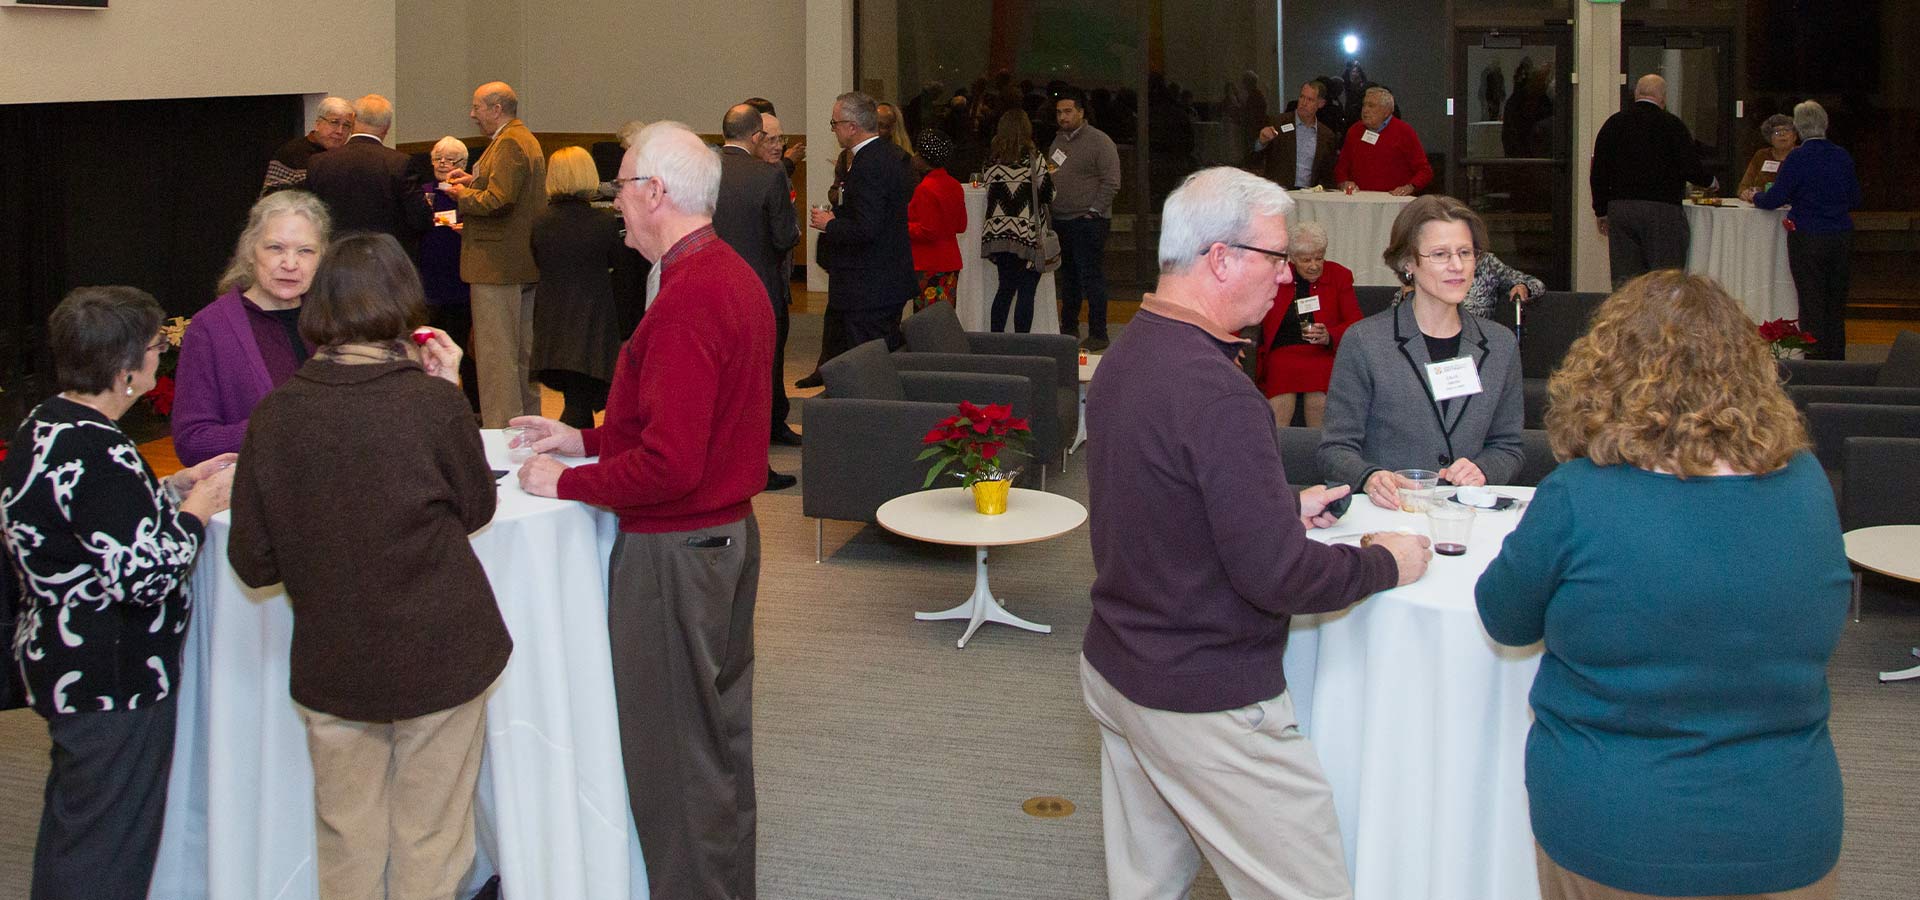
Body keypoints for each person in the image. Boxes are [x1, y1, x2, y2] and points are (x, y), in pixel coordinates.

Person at [1082, 166, 1430, 899]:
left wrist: (1274, 506)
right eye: (1275, 258)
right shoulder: (1219, 391)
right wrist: (1383, 562)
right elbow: (1280, 577)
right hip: (1201, 695)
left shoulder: (1130, 353)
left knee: (1147, 886)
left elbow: (1156, 501)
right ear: (1220, 258)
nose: (1285, 277)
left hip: (1119, 666)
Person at [1476, 270, 1848, 900]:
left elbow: (1504, 619)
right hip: (1786, 826)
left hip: (1613, 828)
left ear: (1606, 369)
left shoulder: (1579, 495)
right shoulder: (1807, 485)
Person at [510, 120, 771, 900]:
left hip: (677, 554)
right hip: (722, 538)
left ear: (655, 193)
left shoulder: (689, 297)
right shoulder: (724, 273)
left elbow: (670, 464)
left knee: (677, 761)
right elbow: (682, 424)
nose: (614, 202)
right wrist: (584, 440)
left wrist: (565, 483)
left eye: (621, 186)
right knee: (715, 743)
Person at [227, 232, 505, 900]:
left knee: (346, 837)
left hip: (335, 659)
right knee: (431, 837)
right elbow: (476, 508)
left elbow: (254, 562)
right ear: (404, 303)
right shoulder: (432, 404)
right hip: (441, 653)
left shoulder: (276, 415)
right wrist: (450, 389)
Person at [3, 286, 235, 900]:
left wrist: (173, 487)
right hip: (110, 675)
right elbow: (144, 577)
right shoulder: (98, 447)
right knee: (108, 850)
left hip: (65, 662)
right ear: (127, 367)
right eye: (157, 346)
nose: (162, 356)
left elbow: (87, 522)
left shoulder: (48, 422)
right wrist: (200, 507)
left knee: (77, 831)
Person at [1318, 195, 1525, 507]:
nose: (1457, 266)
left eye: (1465, 253)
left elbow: (1508, 447)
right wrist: (1370, 477)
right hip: (1390, 515)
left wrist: (1484, 469)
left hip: (1466, 517)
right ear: (1408, 263)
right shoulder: (1365, 341)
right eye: (1440, 254)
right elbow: (1334, 450)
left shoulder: (1500, 344)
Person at [172, 189, 331, 466]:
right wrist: (278, 426)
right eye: (275, 248)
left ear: (322, 258)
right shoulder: (210, 327)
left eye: (305, 251)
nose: (290, 264)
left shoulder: (334, 318)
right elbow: (192, 442)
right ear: (249, 251)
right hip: (255, 488)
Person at [444, 80, 547, 428]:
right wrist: (472, 183)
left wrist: (461, 195)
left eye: (477, 107)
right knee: (520, 355)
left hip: (497, 266)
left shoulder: (509, 143)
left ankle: (503, 431)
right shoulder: (522, 138)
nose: (472, 114)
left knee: (497, 357)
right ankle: (526, 426)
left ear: (496, 109)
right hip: (518, 262)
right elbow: (505, 191)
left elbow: (499, 201)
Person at [713, 102, 803, 487]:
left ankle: (719, 458)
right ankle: (753, 467)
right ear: (755, 136)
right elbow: (784, 237)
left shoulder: (703, 170)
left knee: (721, 377)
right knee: (757, 378)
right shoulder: (768, 176)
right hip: (758, 289)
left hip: (712, 286)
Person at [802, 91, 915, 387]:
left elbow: (867, 228)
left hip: (870, 286)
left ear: (852, 127)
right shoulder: (890, 155)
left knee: (869, 367)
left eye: (835, 123)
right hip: (884, 279)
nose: (833, 130)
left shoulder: (869, 163)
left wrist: (830, 224)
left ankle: (871, 410)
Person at [1749, 101, 1860, 361]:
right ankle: (1837, 360)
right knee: (1836, 302)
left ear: (1798, 129)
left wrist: (1755, 196)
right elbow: (1855, 198)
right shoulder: (1841, 155)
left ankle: (1815, 361)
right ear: (1825, 125)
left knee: (1811, 302)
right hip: (1840, 235)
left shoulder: (1797, 158)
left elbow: (1774, 198)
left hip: (1808, 236)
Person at [1589, 74, 1717, 288]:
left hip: (1622, 209)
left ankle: (1626, 310)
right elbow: (1689, 166)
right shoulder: (1672, 125)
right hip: (1662, 210)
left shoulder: (1614, 123)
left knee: (1626, 281)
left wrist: (1601, 210)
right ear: (1663, 98)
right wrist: (1710, 181)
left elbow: (1599, 171)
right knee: (1664, 279)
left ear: (1636, 94)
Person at [529, 146, 623, 429]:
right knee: (580, 401)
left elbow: (537, 260)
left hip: (552, 315)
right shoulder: (604, 222)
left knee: (574, 398)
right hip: (593, 316)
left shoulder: (540, 222)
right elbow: (616, 261)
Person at [1256, 221, 1360, 426]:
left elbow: (1356, 322)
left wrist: (1330, 335)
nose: (1314, 265)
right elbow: (1250, 310)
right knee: (1280, 400)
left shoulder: (1339, 276)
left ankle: (1320, 445)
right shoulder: (1276, 276)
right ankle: (1275, 444)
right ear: (1292, 258)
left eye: (1319, 258)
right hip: (1283, 354)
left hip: (1322, 353)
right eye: (1306, 260)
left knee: (1318, 399)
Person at [304, 94, 431, 257]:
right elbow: (420, 219)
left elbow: (311, 216)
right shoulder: (400, 163)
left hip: (335, 256)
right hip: (386, 258)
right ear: (387, 128)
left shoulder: (319, 162)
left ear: (353, 121)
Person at [1049, 88, 1122, 350]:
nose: (1063, 117)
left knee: (1091, 277)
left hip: (1088, 221)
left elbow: (1112, 181)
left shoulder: (1100, 141)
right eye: (1059, 112)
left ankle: (1098, 333)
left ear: (1081, 112)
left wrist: (1094, 211)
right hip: (1062, 219)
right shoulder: (1058, 142)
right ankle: (1069, 328)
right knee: (1068, 278)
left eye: (1068, 111)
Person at [420, 136, 481, 412]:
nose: (443, 163)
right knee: (429, 349)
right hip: (429, 282)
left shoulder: (471, 195)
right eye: (438, 158)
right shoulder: (422, 192)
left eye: (450, 159)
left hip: (461, 282)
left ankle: (472, 409)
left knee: (465, 353)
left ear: (463, 164)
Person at [980, 109, 1055, 333]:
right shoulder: (1033, 159)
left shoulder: (991, 161)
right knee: (1026, 291)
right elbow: (1048, 194)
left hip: (999, 235)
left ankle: (996, 340)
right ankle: (1022, 343)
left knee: (1004, 289)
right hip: (1026, 234)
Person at [906, 130, 966, 313]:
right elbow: (961, 225)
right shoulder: (955, 185)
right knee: (944, 317)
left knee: (926, 320)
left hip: (928, 265)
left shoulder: (925, 188)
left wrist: (902, 226)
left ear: (924, 160)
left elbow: (928, 231)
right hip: (950, 262)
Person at [1333, 86, 1433, 196]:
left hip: (1393, 200)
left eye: (1371, 106)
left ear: (1386, 111)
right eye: (1364, 105)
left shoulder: (1404, 132)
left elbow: (1424, 170)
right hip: (1359, 199)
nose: (1365, 110)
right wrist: (1344, 183)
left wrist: (1410, 187)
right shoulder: (1354, 131)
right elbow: (1341, 167)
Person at [1391, 249, 1544, 319]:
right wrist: (1410, 298)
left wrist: (1522, 287)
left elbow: (1535, 284)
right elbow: (1394, 317)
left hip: (1477, 343)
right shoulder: (1430, 263)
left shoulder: (1485, 263)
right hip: (1425, 344)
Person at [1247, 80, 1338, 190]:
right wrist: (1261, 142)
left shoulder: (1326, 135)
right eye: (1302, 97)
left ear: (1321, 104)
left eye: (1310, 100)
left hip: (1310, 194)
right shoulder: (1278, 123)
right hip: (1280, 191)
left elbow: (1328, 174)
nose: (1304, 103)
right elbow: (1254, 159)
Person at [262, 96, 353, 194]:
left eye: (346, 125)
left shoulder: (349, 157)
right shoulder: (291, 153)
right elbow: (270, 196)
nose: (340, 131)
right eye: (334, 122)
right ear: (318, 124)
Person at [1737, 114, 1798, 196]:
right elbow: (1744, 186)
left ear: (1794, 136)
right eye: (1777, 132)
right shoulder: (1761, 155)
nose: (1782, 134)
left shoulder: (1802, 154)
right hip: (1762, 202)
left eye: (1786, 130)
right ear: (1770, 138)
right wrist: (1745, 193)